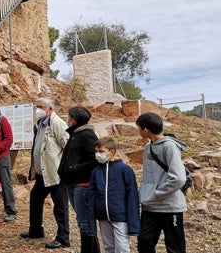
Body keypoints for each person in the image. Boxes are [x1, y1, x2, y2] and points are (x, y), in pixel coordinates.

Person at [21, 97, 70, 250]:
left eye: (41, 107)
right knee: (35, 198)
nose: (37, 109)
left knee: (60, 207)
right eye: (36, 107)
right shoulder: (40, 124)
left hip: (55, 174)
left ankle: (63, 239)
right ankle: (35, 231)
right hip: (43, 173)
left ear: (50, 109)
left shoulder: (57, 124)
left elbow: (67, 147)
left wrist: (64, 169)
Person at [136, 113, 187, 253]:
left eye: (138, 128)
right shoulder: (148, 147)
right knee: (144, 243)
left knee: (174, 247)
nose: (138, 130)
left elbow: (178, 178)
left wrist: (156, 194)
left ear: (145, 130)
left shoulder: (169, 146)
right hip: (150, 207)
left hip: (170, 207)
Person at [58, 106, 100, 252]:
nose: (68, 120)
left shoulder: (86, 135)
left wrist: (73, 169)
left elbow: (95, 159)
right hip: (72, 183)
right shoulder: (75, 134)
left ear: (74, 119)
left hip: (82, 185)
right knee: (82, 220)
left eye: (69, 117)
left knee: (85, 222)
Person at [90, 136, 140, 253]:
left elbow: (132, 196)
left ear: (112, 152)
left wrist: (133, 222)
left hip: (120, 217)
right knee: (108, 247)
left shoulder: (124, 169)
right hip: (103, 216)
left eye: (101, 151)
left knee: (122, 248)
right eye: (96, 151)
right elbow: (92, 195)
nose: (98, 154)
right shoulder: (96, 171)